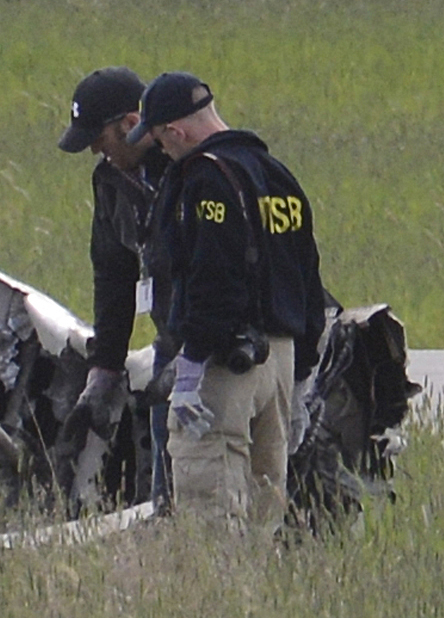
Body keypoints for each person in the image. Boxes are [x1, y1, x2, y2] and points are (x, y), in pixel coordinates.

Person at [128, 71, 326, 531]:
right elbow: (308, 276)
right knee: (263, 509)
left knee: (209, 508)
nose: (162, 151)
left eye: (160, 139)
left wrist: (191, 367)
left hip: (224, 365)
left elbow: (212, 277)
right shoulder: (276, 174)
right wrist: (301, 376)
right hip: (281, 358)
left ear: (176, 132)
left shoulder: (205, 178)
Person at [55, 66, 177, 508]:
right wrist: (104, 372)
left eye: (99, 138)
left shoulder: (187, 171)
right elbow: (112, 277)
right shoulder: (109, 182)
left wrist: (194, 354)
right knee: (169, 480)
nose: (95, 150)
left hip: (212, 346)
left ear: (131, 122)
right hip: (170, 345)